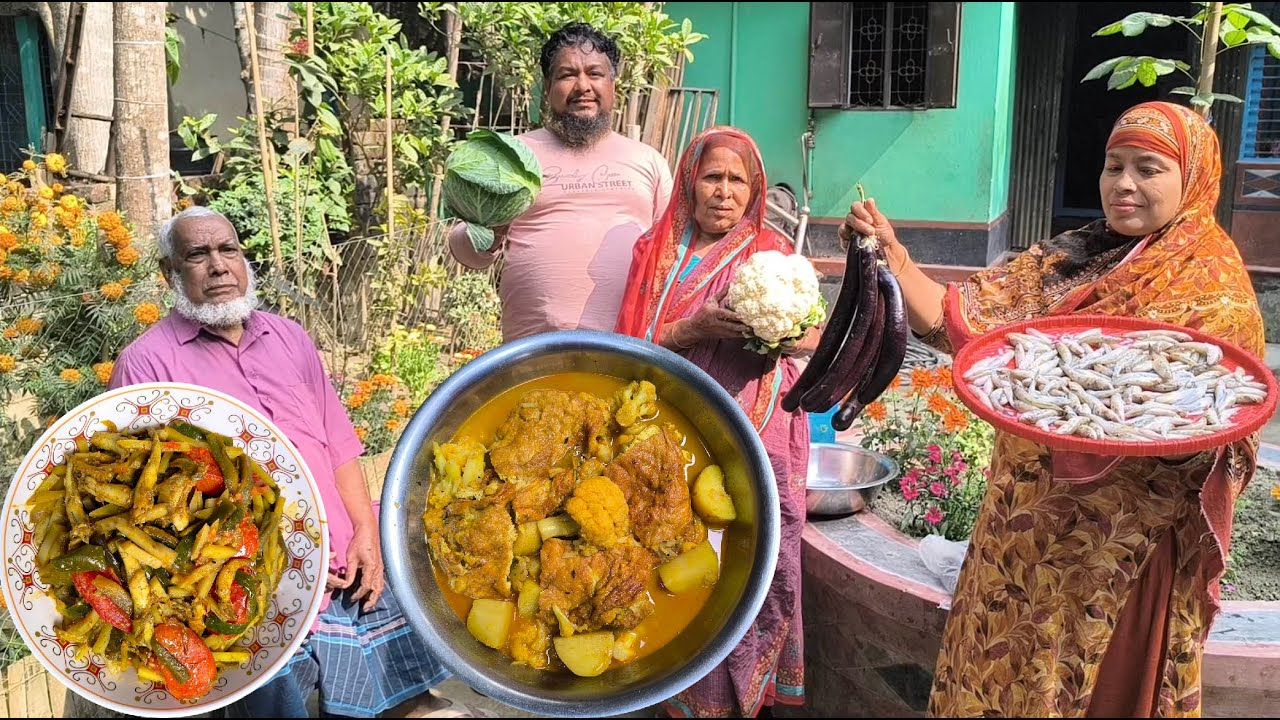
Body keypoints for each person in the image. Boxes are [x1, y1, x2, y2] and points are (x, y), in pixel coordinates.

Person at [838, 101, 1265, 717]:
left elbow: (1214, 426)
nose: (1123, 184)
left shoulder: (1211, 290)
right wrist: (894, 255)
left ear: (1192, 178)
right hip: (1023, 534)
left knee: (1092, 690)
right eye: (1114, 166)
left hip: (1116, 555)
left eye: (1148, 169)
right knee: (1000, 674)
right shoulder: (1080, 255)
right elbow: (962, 327)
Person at [107, 206, 451, 718]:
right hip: (256, 587)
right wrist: (287, 567)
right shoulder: (147, 364)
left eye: (228, 250)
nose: (219, 266)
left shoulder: (288, 337)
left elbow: (339, 445)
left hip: (348, 559)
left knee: (408, 701)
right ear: (169, 274)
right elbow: (154, 510)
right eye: (198, 255)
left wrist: (364, 530)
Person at [616, 125, 818, 718]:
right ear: (689, 183)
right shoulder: (651, 251)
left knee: (760, 559)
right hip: (672, 437)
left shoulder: (773, 256)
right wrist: (691, 329)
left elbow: (812, 336)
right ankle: (678, 690)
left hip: (757, 435)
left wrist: (779, 331)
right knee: (674, 552)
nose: (723, 192)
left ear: (754, 190)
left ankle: (751, 694)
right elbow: (626, 344)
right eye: (712, 177)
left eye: (736, 181)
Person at [448, 21, 674, 342]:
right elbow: (466, 251)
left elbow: (673, 253)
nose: (583, 86)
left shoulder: (648, 161)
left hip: (628, 351)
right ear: (548, 85)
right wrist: (492, 228)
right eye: (567, 74)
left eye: (595, 74)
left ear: (613, 84)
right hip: (533, 352)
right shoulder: (513, 157)